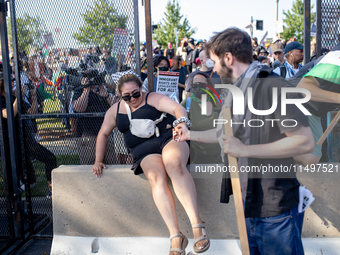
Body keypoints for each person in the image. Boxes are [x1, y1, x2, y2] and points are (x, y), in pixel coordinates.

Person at [174, 28, 315, 255]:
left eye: (216, 62)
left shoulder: (272, 85)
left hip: (275, 210)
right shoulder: (236, 92)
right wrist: (189, 135)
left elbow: (304, 141)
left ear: (228, 58)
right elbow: (224, 136)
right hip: (248, 206)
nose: (215, 69)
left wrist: (245, 149)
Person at [93, 73, 210, 255]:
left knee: (174, 164)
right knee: (156, 177)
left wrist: (183, 125)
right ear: (120, 96)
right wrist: (98, 161)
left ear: (142, 89)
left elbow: (178, 109)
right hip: (143, 150)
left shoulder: (152, 98)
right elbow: (102, 134)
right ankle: (175, 236)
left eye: (136, 93)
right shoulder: (115, 111)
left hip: (168, 138)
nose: (132, 99)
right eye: (127, 96)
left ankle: (197, 226)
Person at [72, 72, 116, 165]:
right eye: (90, 78)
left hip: (106, 134)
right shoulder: (79, 91)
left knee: (112, 164)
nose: (93, 81)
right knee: (89, 166)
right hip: (87, 136)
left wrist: (106, 96)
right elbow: (79, 109)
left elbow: (116, 107)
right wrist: (86, 90)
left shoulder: (101, 90)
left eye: (95, 78)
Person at [181, 73, 222, 164]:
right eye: (195, 84)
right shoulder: (186, 104)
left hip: (220, 158)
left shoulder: (219, 102)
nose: (197, 87)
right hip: (196, 159)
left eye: (201, 84)